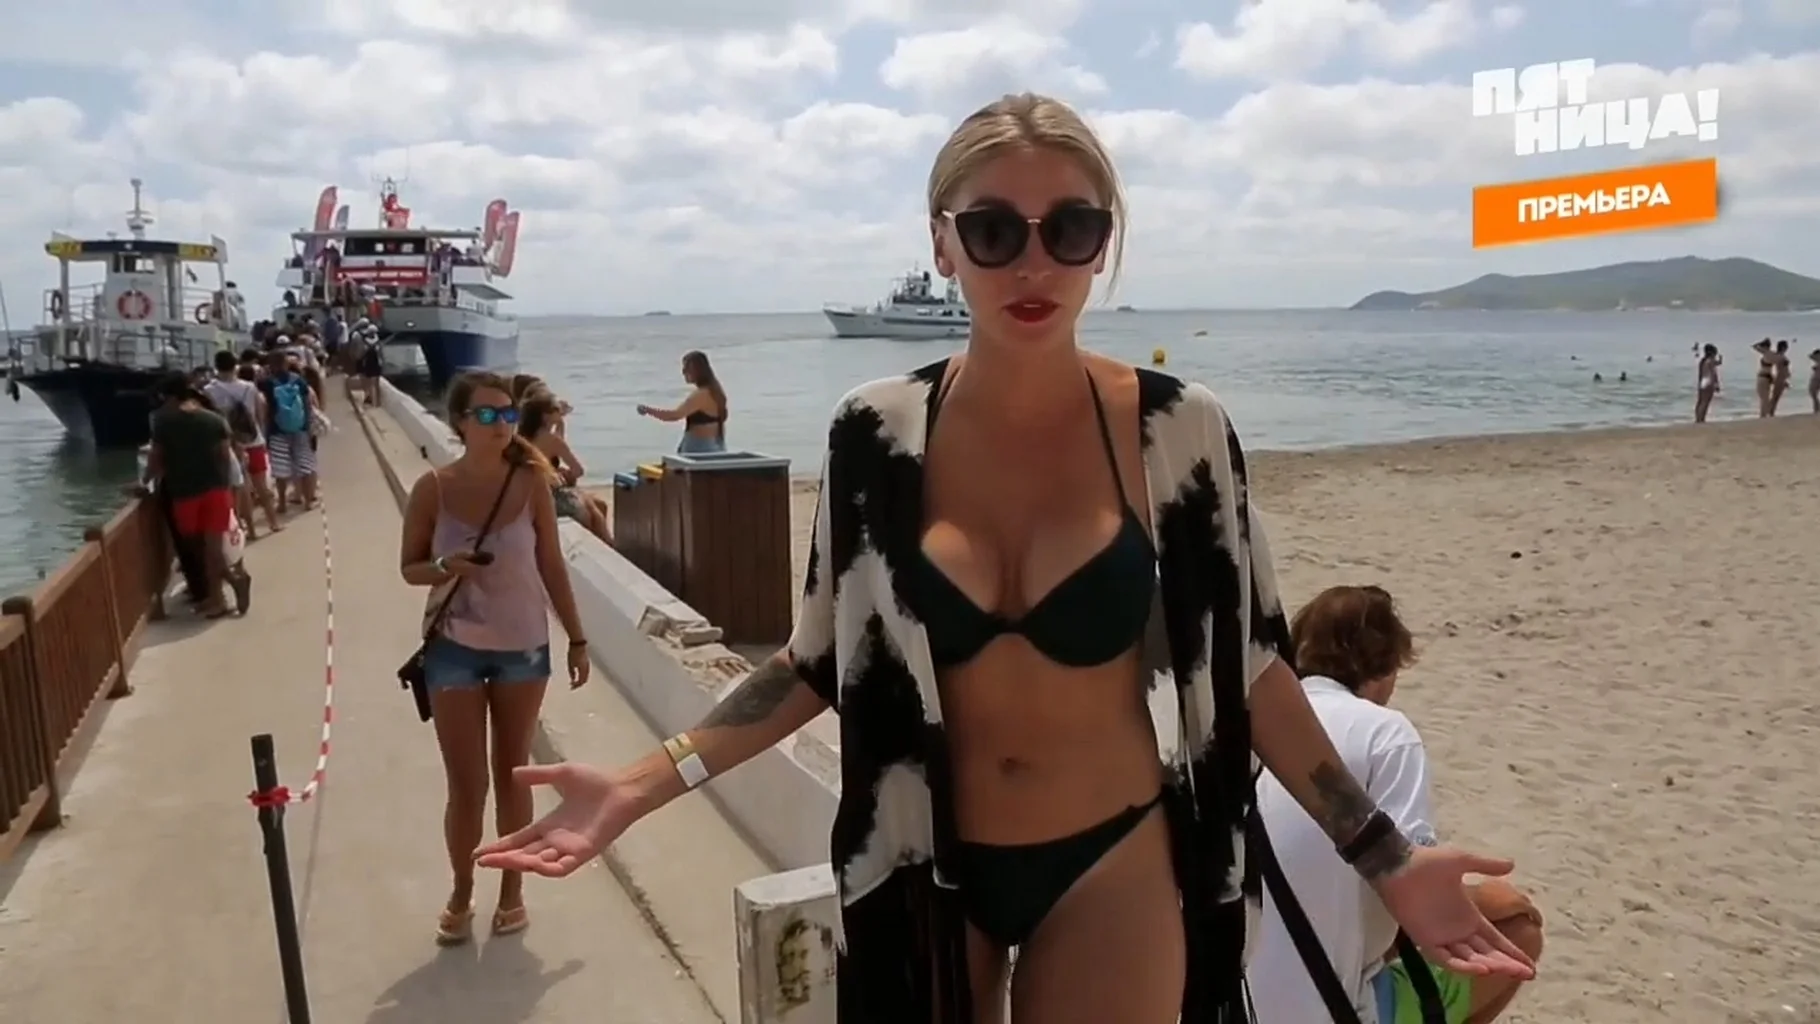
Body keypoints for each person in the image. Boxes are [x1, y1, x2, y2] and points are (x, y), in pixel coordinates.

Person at [473, 92, 1533, 1023]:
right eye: (992, 230)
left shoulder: (1179, 431)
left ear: (1102, 245)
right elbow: (814, 659)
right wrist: (638, 783)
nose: (1033, 263)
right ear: (941, 244)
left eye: (1070, 228)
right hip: (921, 860)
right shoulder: (874, 433)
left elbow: (1251, 665)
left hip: (1114, 859)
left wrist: (1385, 859)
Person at [1250, 585, 1545, 1024]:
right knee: (1517, 927)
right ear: (1386, 668)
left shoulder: (1244, 729)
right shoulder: (1385, 733)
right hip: (1333, 1008)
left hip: (1224, 1001)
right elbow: (1411, 896)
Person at [398, 371, 592, 945]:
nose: (502, 424)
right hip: (453, 649)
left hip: (522, 648)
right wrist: (445, 567)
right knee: (466, 785)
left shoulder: (531, 482)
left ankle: (512, 890)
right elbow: (410, 568)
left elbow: (552, 564)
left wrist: (577, 638)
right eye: (487, 415)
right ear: (460, 423)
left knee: (514, 775)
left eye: (507, 414)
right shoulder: (432, 489)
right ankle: (462, 889)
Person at [144, 373, 241, 619]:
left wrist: (143, 482)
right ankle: (218, 595)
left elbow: (156, 459)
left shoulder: (164, 423)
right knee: (212, 547)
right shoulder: (214, 419)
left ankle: (224, 593)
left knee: (199, 548)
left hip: (185, 493)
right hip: (217, 490)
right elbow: (225, 457)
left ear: (170, 398)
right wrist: (227, 487)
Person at [205, 349, 282, 537]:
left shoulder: (209, 391)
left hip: (229, 444)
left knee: (240, 489)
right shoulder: (249, 387)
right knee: (261, 485)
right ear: (235, 366)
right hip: (254, 441)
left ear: (216, 367)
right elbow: (260, 416)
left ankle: (249, 529)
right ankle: (273, 523)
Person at [518, 394, 611, 543]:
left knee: (599, 504)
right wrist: (565, 475)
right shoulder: (551, 440)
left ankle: (604, 543)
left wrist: (560, 423)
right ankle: (607, 545)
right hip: (551, 496)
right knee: (594, 508)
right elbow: (578, 471)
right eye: (556, 409)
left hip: (528, 496)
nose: (560, 411)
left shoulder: (523, 437)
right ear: (545, 416)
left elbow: (552, 452)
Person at [636, 350, 727, 454]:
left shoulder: (701, 395)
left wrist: (648, 410)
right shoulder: (716, 391)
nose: (683, 372)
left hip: (699, 447)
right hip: (716, 444)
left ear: (698, 370)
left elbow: (674, 416)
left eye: (687, 368)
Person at [259, 352, 319, 510]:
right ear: (286, 364)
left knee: (281, 469)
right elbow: (307, 405)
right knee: (305, 466)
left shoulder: (266, 383)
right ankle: (308, 502)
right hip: (300, 428)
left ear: (271, 365)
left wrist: (266, 433)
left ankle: (282, 503)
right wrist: (309, 427)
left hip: (276, 430)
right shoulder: (299, 380)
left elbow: (264, 408)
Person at [1695, 343, 1721, 423]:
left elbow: (1700, 374)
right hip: (1709, 382)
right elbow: (1713, 373)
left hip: (1703, 381)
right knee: (1706, 402)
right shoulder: (1711, 361)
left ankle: (1698, 418)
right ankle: (1702, 418)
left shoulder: (1703, 361)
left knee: (1700, 401)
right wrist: (1716, 384)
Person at [1768, 339, 1792, 416]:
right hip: (1780, 377)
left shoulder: (1782, 356)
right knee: (1775, 396)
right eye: (1786, 346)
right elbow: (1780, 367)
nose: (1787, 348)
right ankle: (1770, 412)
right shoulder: (1779, 356)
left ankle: (1771, 411)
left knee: (1777, 397)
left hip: (1782, 378)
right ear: (1783, 347)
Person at [1753, 338, 1774, 417]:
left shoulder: (1766, 353)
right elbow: (1755, 347)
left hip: (1763, 377)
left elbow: (1755, 346)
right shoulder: (1769, 353)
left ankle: (1763, 415)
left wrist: (1760, 343)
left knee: (1764, 398)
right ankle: (1765, 414)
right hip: (1766, 377)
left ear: (1765, 346)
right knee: (1765, 398)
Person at [1808, 347, 1819, 414]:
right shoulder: (1817, 361)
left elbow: (1811, 356)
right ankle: (1816, 409)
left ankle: (1817, 409)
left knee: (1813, 392)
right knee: (1813, 393)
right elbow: (1810, 356)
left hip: (1817, 378)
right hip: (1816, 378)